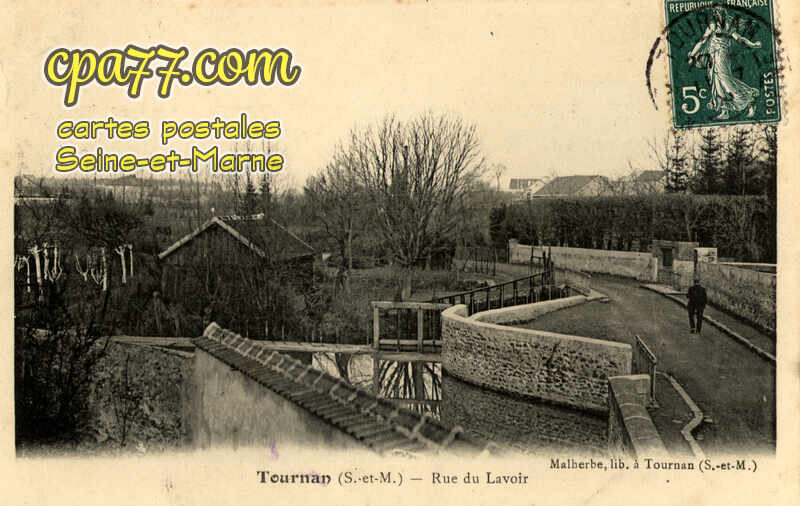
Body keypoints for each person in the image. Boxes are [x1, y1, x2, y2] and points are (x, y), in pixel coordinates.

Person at [687, 6, 762, 120]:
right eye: (715, 14)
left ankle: (749, 99)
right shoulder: (712, 26)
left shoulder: (728, 26)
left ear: (723, 14)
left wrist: (753, 45)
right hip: (712, 56)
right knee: (716, 83)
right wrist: (692, 54)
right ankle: (724, 111)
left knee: (726, 81)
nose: (717, 16)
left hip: (722, 56)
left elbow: (740, 39)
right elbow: (702, 41)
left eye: (718, 13)